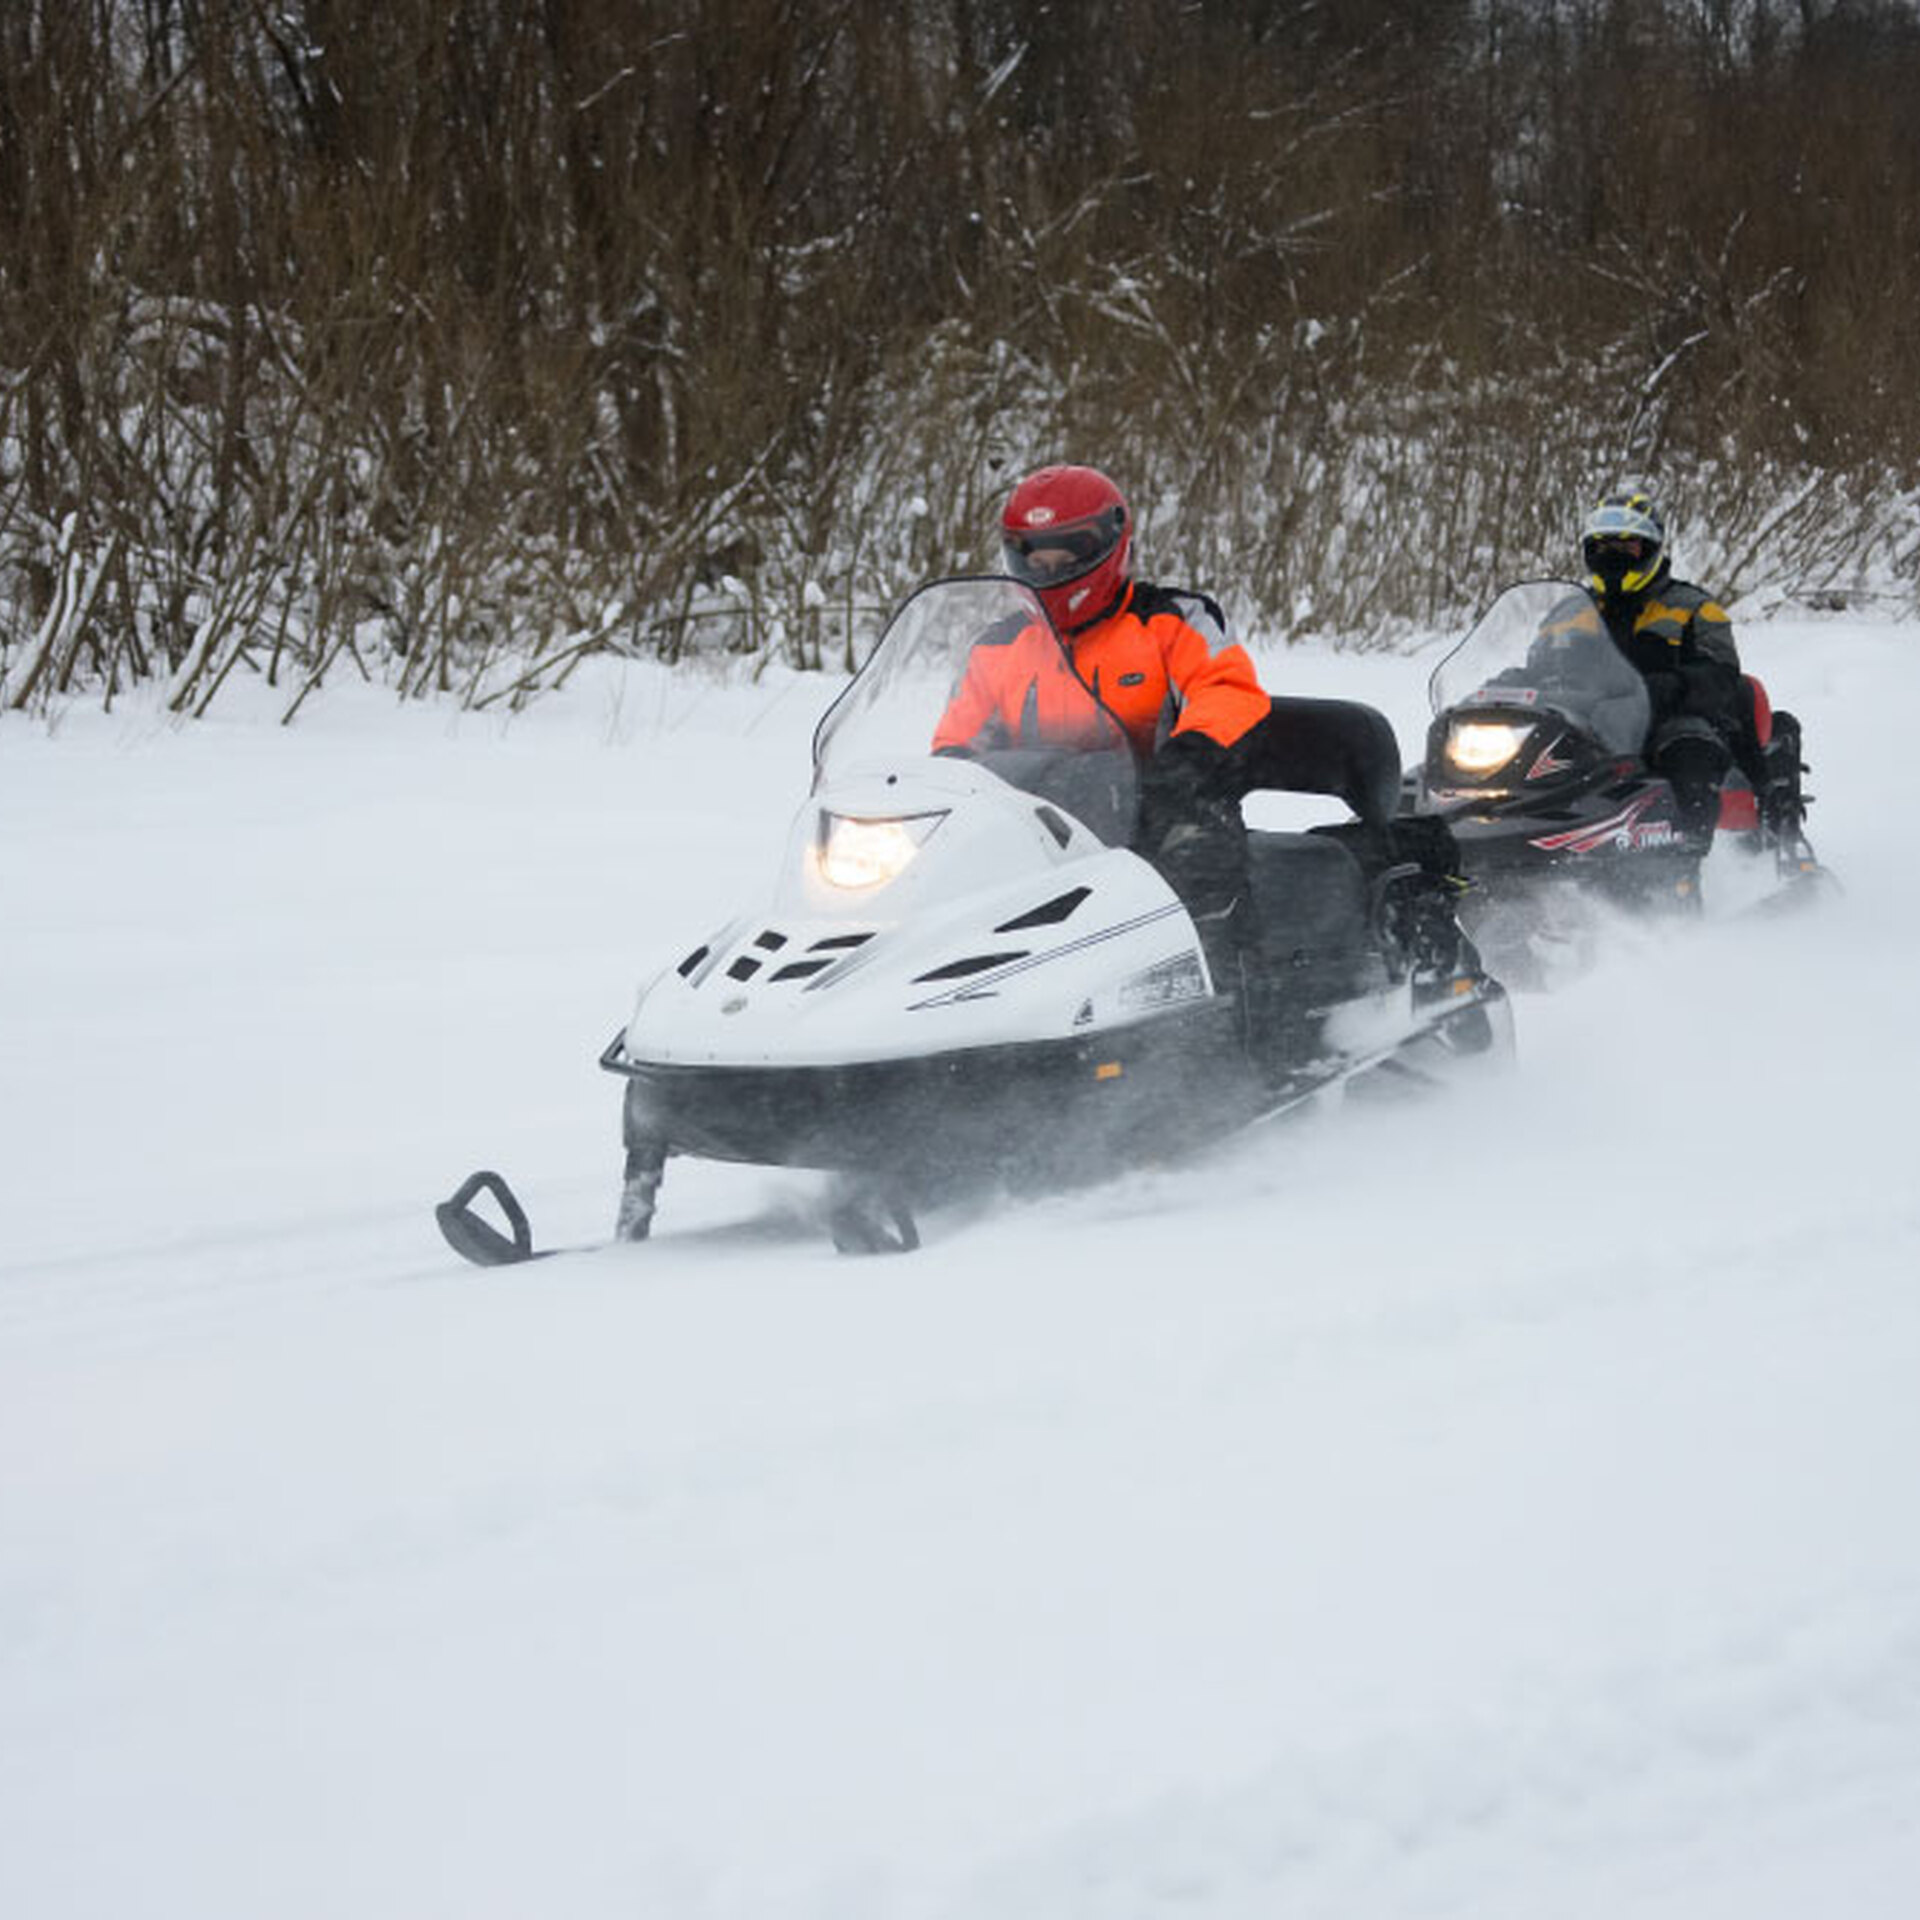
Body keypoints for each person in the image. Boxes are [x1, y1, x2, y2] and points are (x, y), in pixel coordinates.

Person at [932, 464, 1271, 965]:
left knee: (1197, 857)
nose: (1049, 571)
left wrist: (1188, 759)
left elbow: (1228, 692)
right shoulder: (999, 646)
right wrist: (950, 776)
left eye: (1066, 555)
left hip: (1161, 805)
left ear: (1108, 549)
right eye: (1035, 558)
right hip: (1036, 818)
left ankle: (1228, 1007)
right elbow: (956, 739)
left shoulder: (1171, 621)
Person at [1571, 483, 1752, 841]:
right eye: (1603, 547)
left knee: (1689, 753)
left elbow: (1722, 676)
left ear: (1650, 549)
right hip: (1587, 721)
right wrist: (1501, 689)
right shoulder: (1571, 611)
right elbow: (1540, 665)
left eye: (1627, 546)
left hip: (1666, 722)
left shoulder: (1695, 607)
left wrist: (1675, 685)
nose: (1614, 556)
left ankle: (1685, 870)